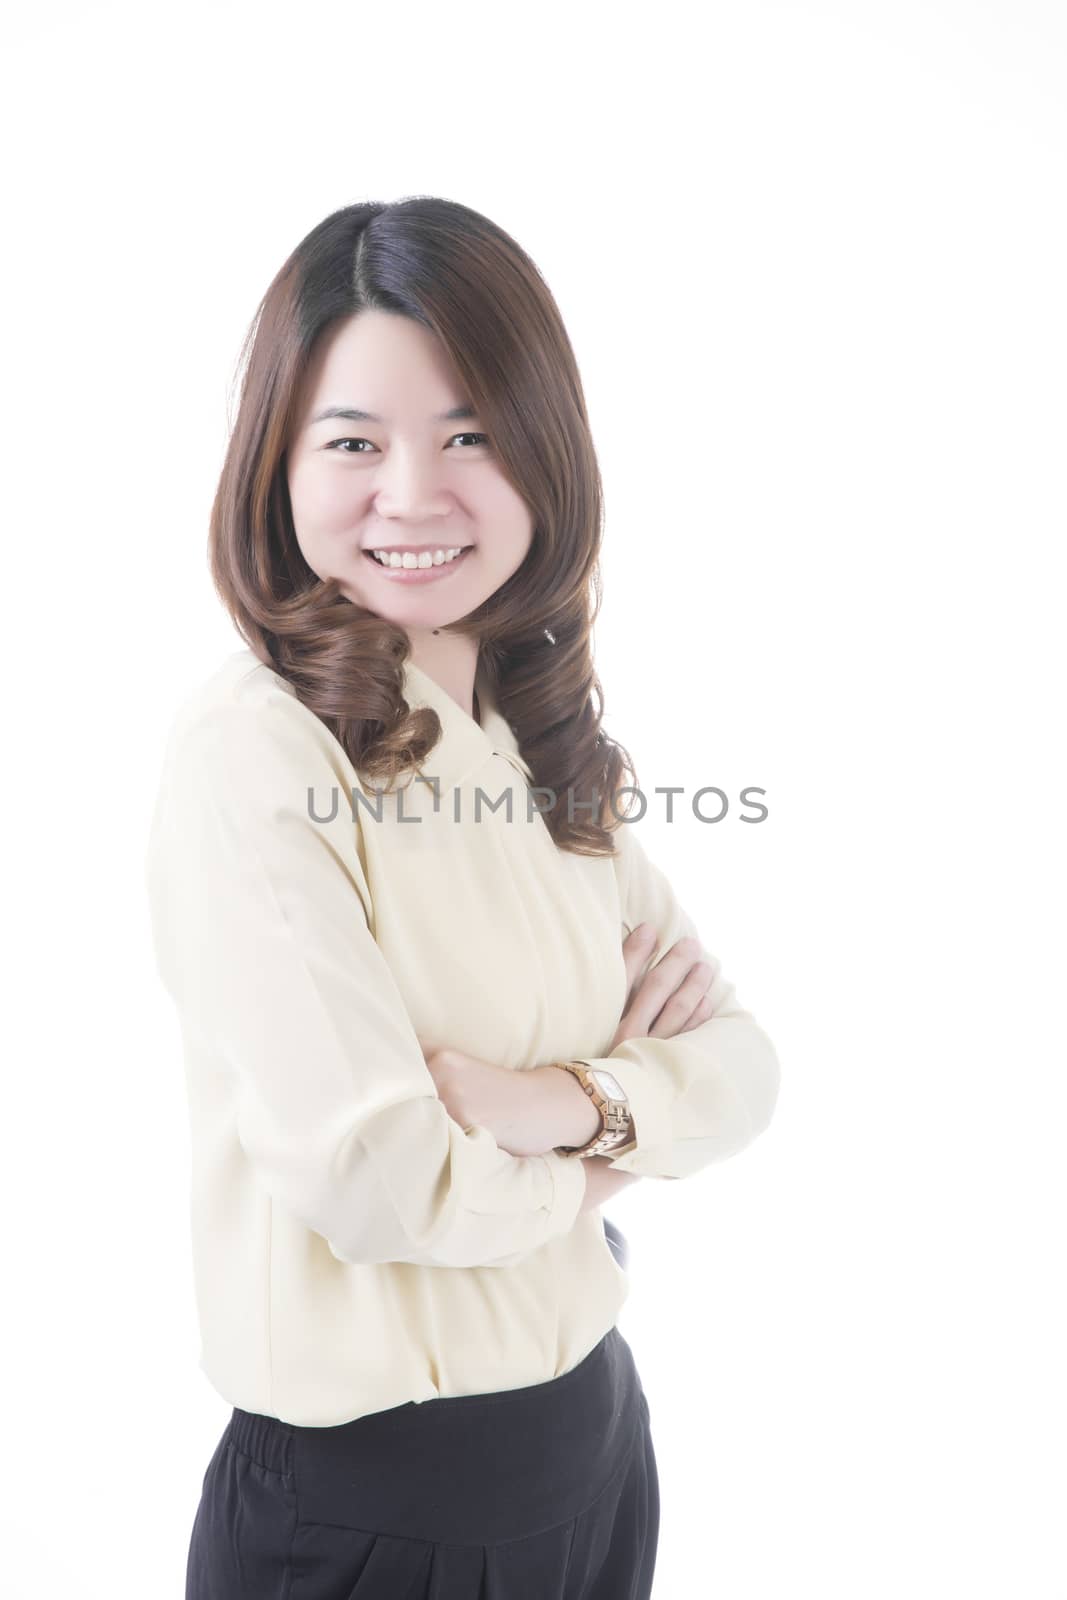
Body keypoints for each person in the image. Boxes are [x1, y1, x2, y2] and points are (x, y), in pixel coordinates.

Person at [144, 196, 781, 1599]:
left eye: (472, 435)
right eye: (355, 442)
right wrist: (626, 1146)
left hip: (594, 1442)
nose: (414, 495)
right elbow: (384, 1186)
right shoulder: (256, 753)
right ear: (280, 469)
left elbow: (741, 1067)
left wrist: (550, 1106)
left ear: (545, 456)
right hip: (377, 1508)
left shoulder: (540, 749)